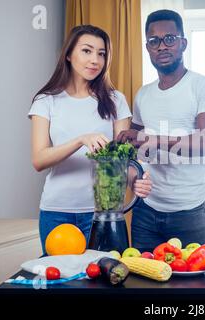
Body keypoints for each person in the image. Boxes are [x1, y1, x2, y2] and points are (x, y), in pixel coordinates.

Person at [29, 25, 152, 255]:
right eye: (87, 51)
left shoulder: (116, 100)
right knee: (62, 283)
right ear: (68, 54)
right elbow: (39, 159)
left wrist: (136, 181)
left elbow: (123, 161)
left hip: (102, 215)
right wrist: (80, 140)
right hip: (57, 212)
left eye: (101, 53)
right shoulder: (46, 101)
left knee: (102, 285)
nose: (95, 60)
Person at [117, 10, 205, 252]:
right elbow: (133, 152)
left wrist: (152, 139)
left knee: (190, 288)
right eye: (154, 41)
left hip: (188, 214)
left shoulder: (203, 86)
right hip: (145, 211)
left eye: (170, 39)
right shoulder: (143, 94)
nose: (162, 46)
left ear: (183, 43)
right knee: (143, 286)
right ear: (148, 48)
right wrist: (133, 175)